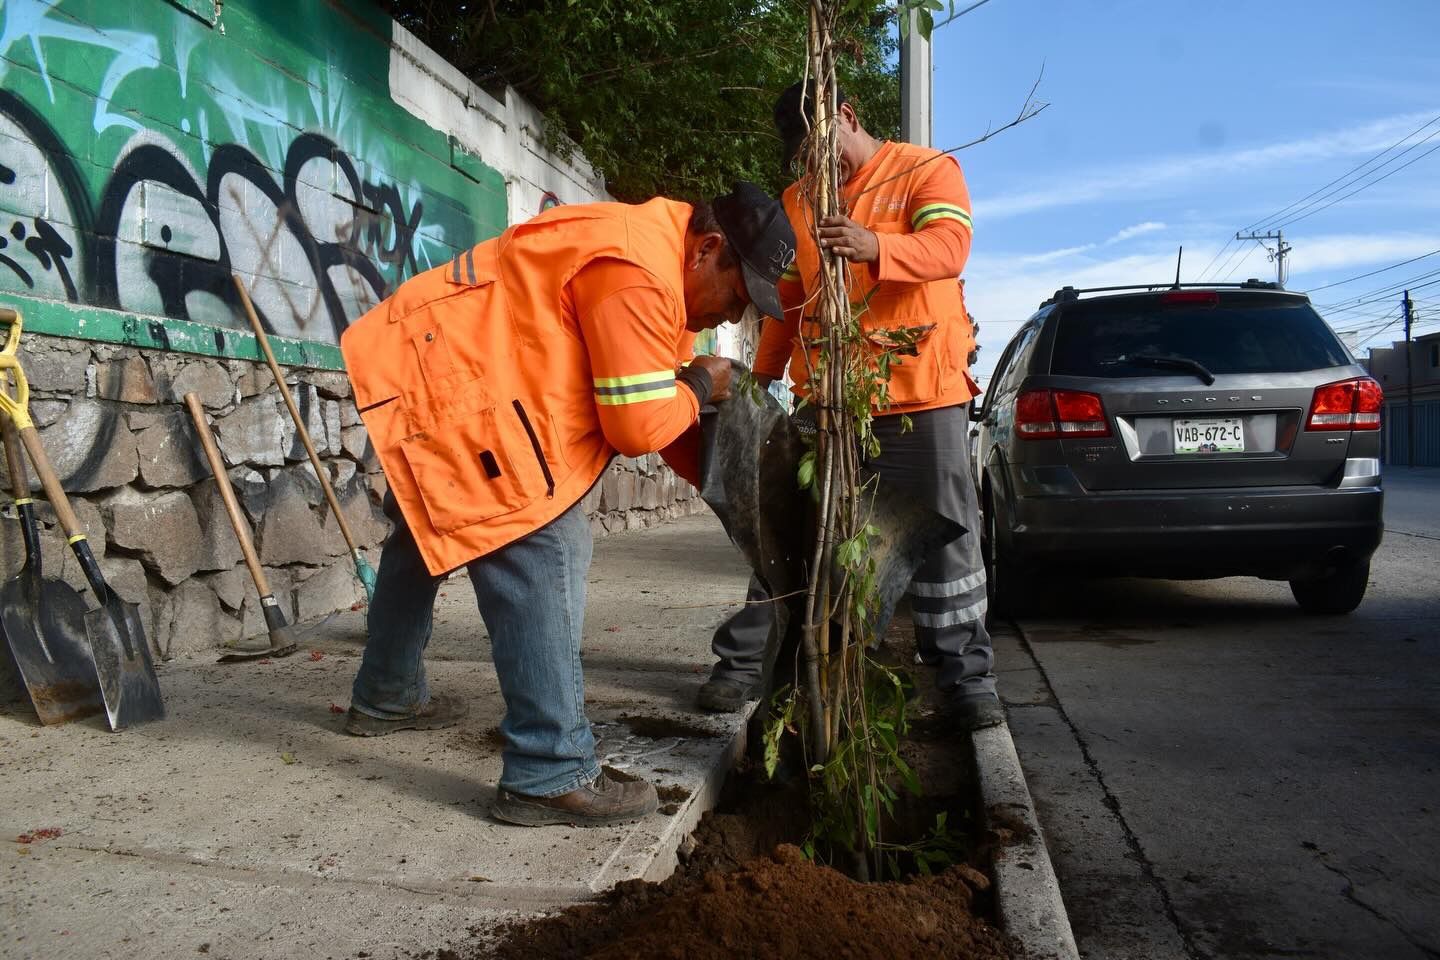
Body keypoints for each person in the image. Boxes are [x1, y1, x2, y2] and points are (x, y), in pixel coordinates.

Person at [340, 183, 797, 826]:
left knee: (423, 529)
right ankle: (548, 770)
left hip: (438, 366)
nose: (732, 316)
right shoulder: (640, 273)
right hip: (462, 386)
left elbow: (656, 407)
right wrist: (701, 381)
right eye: (738, 295)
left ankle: (386, 695)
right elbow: (638, 425)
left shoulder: (657, 257)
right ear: (708, 249)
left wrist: (735, 489)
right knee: (547, 542)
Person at [698, 82, 1000, 731]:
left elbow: (949, 249)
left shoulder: (924, 169)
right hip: (827, 398)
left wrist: (876, 246)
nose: (815, 168)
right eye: (803, 158)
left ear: (847, 116)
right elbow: (789, 304)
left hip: (920, 393)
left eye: (820, 148)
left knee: (946, 541)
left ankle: (966, 681)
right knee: (786, 530)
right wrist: (760, 381)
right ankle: (744, 665)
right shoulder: (798, 200)